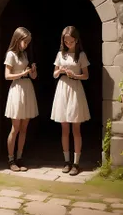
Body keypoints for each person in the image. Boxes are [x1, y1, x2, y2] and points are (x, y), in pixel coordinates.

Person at [51, 26, 90, 176]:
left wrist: (75, 75)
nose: (68, 44)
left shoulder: (81, 55)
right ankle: (66, 161)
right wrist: (60, 71)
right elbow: (54, 74)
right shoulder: (60, 54)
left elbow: (86, 75)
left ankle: (76, 162)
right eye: (66, 41)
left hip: (75, 89)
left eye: (71, 41)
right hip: (62, 88)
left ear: (76, 40)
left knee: (76, 128)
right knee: (64, 128)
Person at [4, 27, 38, 172]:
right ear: (18, 39)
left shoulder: (24, 55)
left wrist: (32, 71)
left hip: (27, 87)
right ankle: (11, 159)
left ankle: (20, 157)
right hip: (17, 88)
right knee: (15, 128)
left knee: (24, 128)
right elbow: (7, 75)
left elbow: (33, 77)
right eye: (25, 41)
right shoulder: (11, 54)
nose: (26, 44)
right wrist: (22, 73)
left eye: (28, 42)